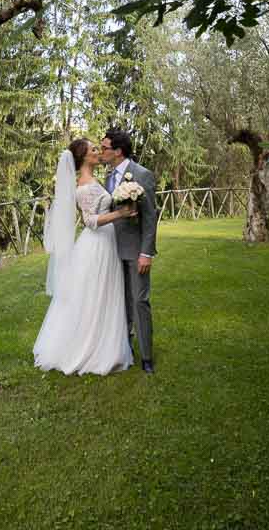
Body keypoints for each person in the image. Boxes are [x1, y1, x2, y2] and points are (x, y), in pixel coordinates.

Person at [33, 139, 135, 376]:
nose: (98, 153)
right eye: (93, 150)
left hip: (105, 242)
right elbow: (90, 221)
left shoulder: (92, 181)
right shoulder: (85, 186)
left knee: (100, 294)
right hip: (97, 245)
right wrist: (120, 213)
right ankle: (92, 347)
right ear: (83, 158)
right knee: (96, 294)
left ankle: (104, 339)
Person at [100, 130, 157, 374]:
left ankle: (146, 356)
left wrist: (147, 252)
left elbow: (150, 217)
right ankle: (125, 348)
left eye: (104, 148)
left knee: (139, 300)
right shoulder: (108, 176)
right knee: (120, 302)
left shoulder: (142, 175)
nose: (101, 152)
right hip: (111, 250)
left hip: (135, 251)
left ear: (118, 151)